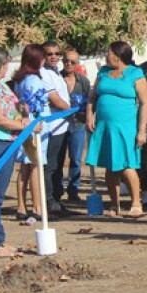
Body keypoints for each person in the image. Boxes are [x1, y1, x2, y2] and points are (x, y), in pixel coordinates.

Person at [85, 41, 147, 218]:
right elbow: (92, 97)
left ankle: (136, 203)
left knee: (127, 165)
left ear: (118, 56)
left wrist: (141, 130)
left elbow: (144, 103)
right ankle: (114, 205)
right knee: (110, 166)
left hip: (126, 127)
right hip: (105, 127)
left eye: (109, 52)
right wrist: (90, 115)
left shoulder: (135, 74)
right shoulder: (103, 72)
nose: (106, 55)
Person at [0, 46, 35, 257]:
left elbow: (15, 106)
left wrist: (24, 112)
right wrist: (22, 126)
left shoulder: (1, 85)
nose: (8, 68)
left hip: (9, 142)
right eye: (5, 64)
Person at [12, 44, 50, 222]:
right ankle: (37, 206)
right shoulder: (34, 80)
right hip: (35, 127)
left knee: (25, 168)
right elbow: (33, 105)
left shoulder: (20, 79)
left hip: (25, 125)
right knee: (35, 166)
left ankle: (21, 206)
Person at [55, 47, 90, 202]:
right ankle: (57, 191)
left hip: (78, 125)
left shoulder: (83, 82)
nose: (68, 63)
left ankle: (73, 190)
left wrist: (88, 117)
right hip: (59, 125)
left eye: (72, 61)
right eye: (66, 60)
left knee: (76, 159)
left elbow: (89, 102)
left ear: (77, 63)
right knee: (58, 159)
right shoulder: (56, 78)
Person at [41, 41, 72, 214]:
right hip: (51, 127)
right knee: (50, 166)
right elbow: (56, 101)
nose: (54, 57)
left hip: (62, 126)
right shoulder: (43, 73)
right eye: (49, 54)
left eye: (56, 53)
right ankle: (49, 202)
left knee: (59, 166)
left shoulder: (56, 73)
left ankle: (57, 200)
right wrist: (71, 108)